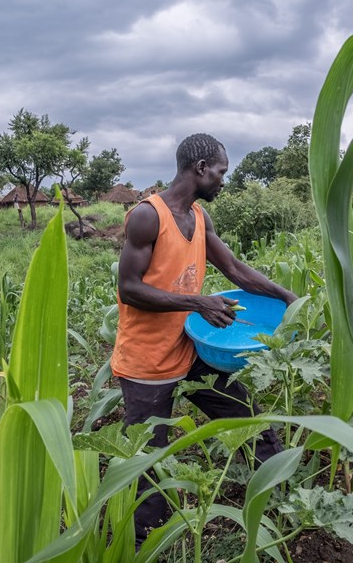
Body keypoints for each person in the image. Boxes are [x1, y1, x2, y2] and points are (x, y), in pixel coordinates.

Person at [111, 133, 298, 545]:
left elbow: (233, 268)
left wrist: (287, 297)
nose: (222, 180)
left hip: (190, 348)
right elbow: (129, 289)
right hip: (147, 361)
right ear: (200, 169)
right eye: (220, 172)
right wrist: (197, 302)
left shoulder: (199, 218)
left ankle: (280, 500)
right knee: (149, 461)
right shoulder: (148, 217)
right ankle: (144, 543)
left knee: (247, 418)